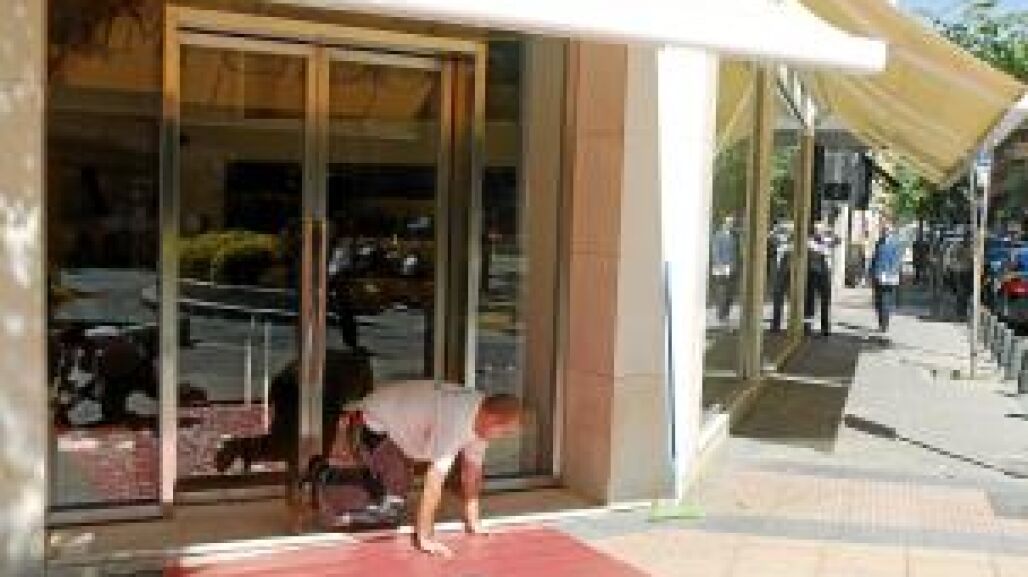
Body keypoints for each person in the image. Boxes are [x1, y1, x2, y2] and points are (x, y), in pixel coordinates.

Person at [354, 381, 522, 557]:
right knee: (383, 512)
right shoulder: (457, 421)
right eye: (504, 432)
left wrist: (474, 521)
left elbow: (471, 472)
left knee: (394, 496)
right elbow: (434, 480)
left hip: (397, 419)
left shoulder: (482, 417)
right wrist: (426, 537)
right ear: (491, 420)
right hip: (372, 419)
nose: (502, 438)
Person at [805, 222, 838, 336]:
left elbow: (838, 240)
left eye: (820, 230)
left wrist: (829, 233)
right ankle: (807, 326)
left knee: (825, 300)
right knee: (810, 300)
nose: (818, 232)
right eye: (816, 230)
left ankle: (825, 327)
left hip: (824, 273)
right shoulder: (810, 242)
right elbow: (814, 250)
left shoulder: (826, 240)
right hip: (813, 273)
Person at [870, 224, 903, 333]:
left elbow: (897, 260)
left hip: (888, 276)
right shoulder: (879, 242)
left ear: (891, 232)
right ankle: (881, 322)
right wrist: (871, 271)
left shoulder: (896, 243)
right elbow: (875, 258)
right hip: (877, 274)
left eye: (887, 230)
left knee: (885, 300)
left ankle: (884, 325)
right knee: (877, 300)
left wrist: (891, 273)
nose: (885, 232)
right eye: (883, 230)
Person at [710, 216, 738, 323]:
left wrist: (734, 266)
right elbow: (715, 252)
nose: (730, 224)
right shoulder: (718, 235)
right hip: (721, 268)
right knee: (722, 291)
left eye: (732, 222)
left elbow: (735, 253)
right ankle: (721, 315)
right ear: (724, 223)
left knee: (730, 292)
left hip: (732, 268)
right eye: (728, 222)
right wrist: (720, 266)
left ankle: (726, 314)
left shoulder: (733, 236)